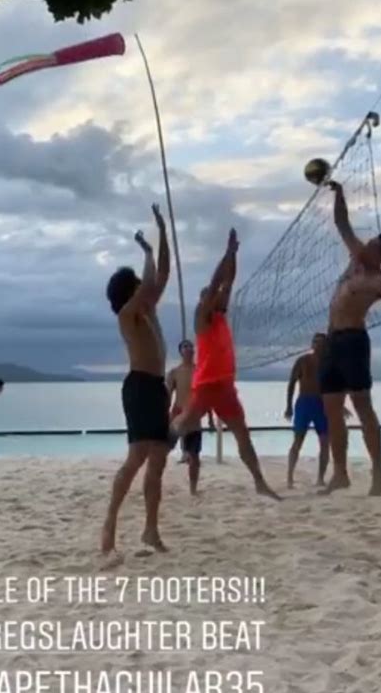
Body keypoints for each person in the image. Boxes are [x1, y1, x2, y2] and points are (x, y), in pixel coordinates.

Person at [172, 228, 280, 500]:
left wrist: (235, 254)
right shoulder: (202, 317)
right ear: (204, 299)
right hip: (207, 384)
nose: (218, 295)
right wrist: (227, 252)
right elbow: (217, 279)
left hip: (226, 387)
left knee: (243, 436)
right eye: (211, 294)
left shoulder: (220, 314)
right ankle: (154, 445)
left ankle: (259, 482)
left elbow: (228, 281)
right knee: (181, 425)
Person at [102, 204, 171, 556]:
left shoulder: (148, 310)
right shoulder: (128, 315)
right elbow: (149, 284)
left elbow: (163, 276)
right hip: (139, 387)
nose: (147, 287)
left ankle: (150, 530)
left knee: (158, 460)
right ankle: (110, 524)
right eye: (139, 285)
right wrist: (146, 250)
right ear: (130, 292)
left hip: (157, 388)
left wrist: (162, 232)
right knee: (136, 458)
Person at [320, 181, 381, 496]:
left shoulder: (378, 279)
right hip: (332, 341)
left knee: (363, 407)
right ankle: (340, 474)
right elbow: (341, 222)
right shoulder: (356, 259)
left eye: (373, 245)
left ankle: (378, 475)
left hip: (353, 342)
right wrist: (339, 193)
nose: (366, 245)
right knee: (332, 407)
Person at [284, 334, 329, 488]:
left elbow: (335, 387)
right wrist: (288, 406)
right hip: (304, 402)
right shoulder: (302, 361)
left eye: (321, 343)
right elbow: (291, 383)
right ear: (312, 344)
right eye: (315, 342)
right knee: (298, 440)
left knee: (324, 442)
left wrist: (339, 407)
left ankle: (320, 479)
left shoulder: (329, 363)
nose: (318, 345)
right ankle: (289, 477)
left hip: (322, 404)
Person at [167, 340, 204, 495]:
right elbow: (167, 395)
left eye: (190, 346)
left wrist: (208, 416)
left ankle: (193, 489)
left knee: (194, 456)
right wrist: (166, 416)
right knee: (163, 450)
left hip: (194, 417)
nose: (189, 349)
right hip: (178, 416)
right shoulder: (174, 372)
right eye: (185, 347)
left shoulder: (200, 371)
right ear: (180, 351)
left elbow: (205, 395)